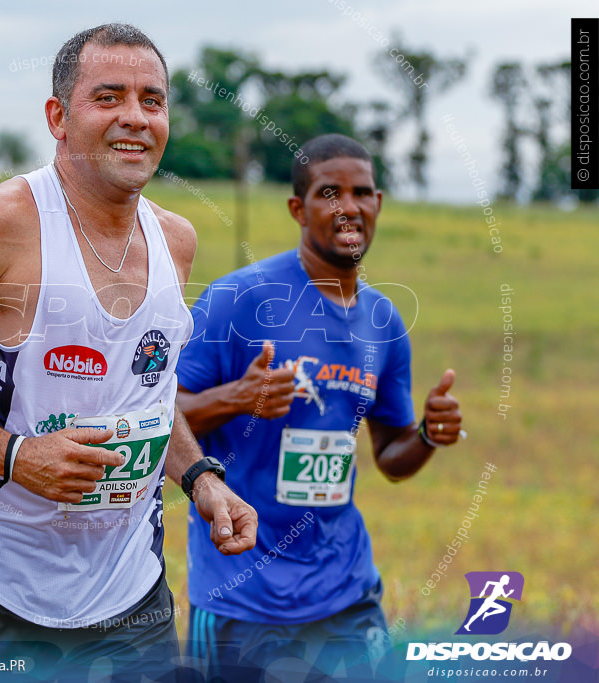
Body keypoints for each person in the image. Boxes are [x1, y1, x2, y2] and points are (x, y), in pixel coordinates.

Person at [0, 23, 257, 678]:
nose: (135, 118)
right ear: (58, 117)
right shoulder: (2, 222)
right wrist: (14, 456)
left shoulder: (175, 240)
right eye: (109, 97)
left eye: (152, 100)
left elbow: (149, 395)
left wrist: (201, 478)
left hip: (131, 593)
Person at [177, 134, 464, 680]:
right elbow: (160, 412)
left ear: (379, 203)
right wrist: (237, 398)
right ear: (297, 209)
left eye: (362, 192)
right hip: (243, 595)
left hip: (346, 593)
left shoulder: (384, 322)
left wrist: (427, 433)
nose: (349, 207)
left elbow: (391, 458)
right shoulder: (240, 299)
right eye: (330, 193)